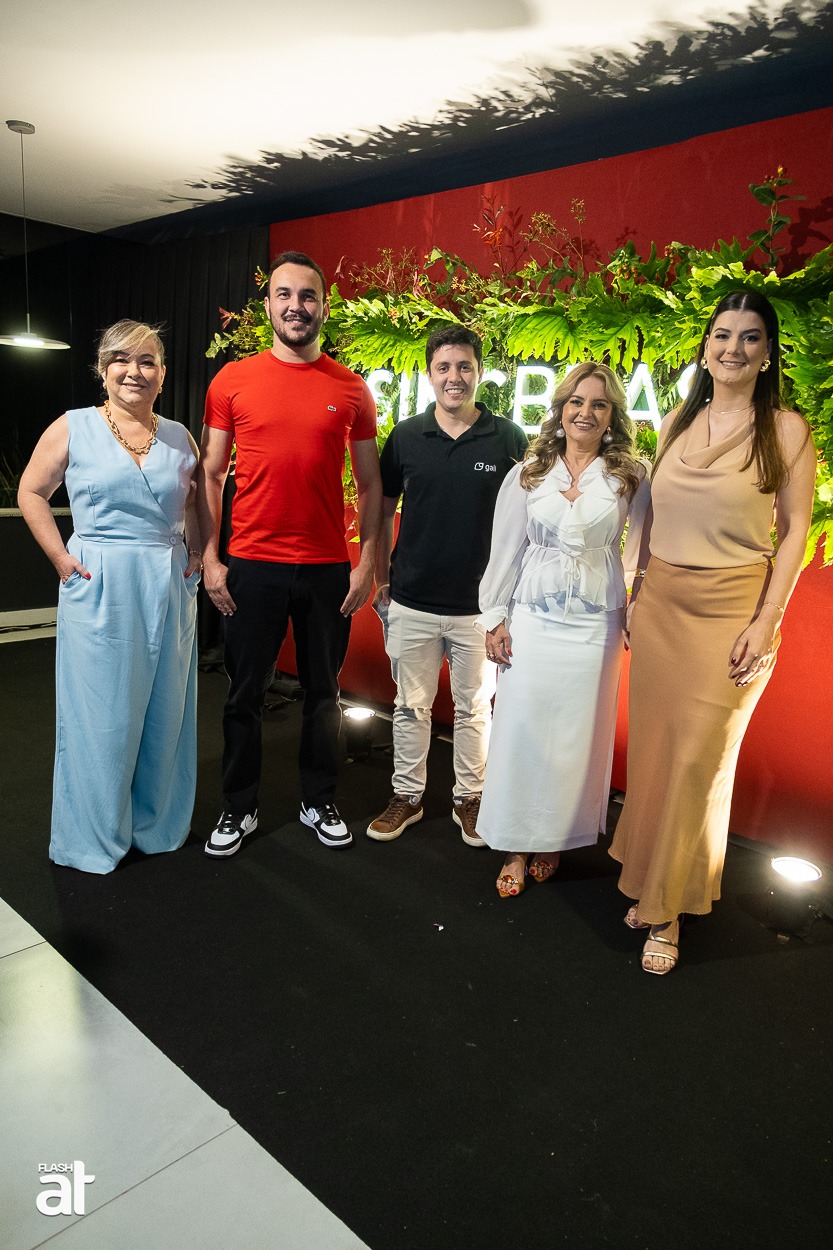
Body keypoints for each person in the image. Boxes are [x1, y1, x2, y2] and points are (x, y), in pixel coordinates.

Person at [609, 290, 816, 974]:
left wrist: (767, 620)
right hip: (661, 607)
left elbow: (794, 533)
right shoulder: (676, 420)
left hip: (732, 614)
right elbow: (647, 512)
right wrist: (635, 588)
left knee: (698, 764)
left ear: (767, 353)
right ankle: (649, 880)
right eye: (722, 334)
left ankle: (668, 907)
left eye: (749, 337)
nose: (733, 348)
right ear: (704, 348)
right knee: (656, 757)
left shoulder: (786, 430)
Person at [198, 250, 382, 856]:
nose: (296, 306)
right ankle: (238, 807)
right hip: (252, 563)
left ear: (324, 306)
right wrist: (210, 557)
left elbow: (371, 484)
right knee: (243, 694)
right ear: (269, 305)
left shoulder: (351, 388)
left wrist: (367, 561)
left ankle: (318, 799)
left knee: (324, 694)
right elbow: (211, 473)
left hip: (327, 567)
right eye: (285, 294)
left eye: (308, 296)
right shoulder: (231, 381)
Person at [17, 320, 201, 873]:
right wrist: (60, 558)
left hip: (167, 583)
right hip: (98, 584)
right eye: (121, 359)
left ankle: (155, 825)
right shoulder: (72, 427)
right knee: (101, 717)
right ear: (103, 370)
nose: (134, 371)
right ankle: (93, 836)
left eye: (147, 361)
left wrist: (199, 554)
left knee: (165, 711)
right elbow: (31, 491)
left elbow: (195, 501)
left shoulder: (180, 437)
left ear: (163, 374)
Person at [475, 362, 650, 896]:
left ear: (612, 414)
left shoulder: (632, 476)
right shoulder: (528, 473)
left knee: (577, 738)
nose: (586, 412)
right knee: (521, 731)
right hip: (532, 619)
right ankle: (515, 843)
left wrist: (635, 606)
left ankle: (554, 838)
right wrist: (494, 617)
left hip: (595, 626)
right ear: (560, 408)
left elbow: (641, 554)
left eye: (599, 404)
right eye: (576, 401)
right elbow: (505, 549)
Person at [367, 325, 528, 844]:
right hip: (411, 601)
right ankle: (407, 797)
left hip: (478, 609)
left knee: (474, 709)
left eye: (464, 367)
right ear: (430, 374)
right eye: (444, 367)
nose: (454, 377)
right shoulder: (407, 436)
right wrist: (381, 578)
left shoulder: (508, 439)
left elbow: (523, 523)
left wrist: (506, 604)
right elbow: (382, 510)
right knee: (410, 707)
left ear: (480, 372)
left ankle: (470, 798)